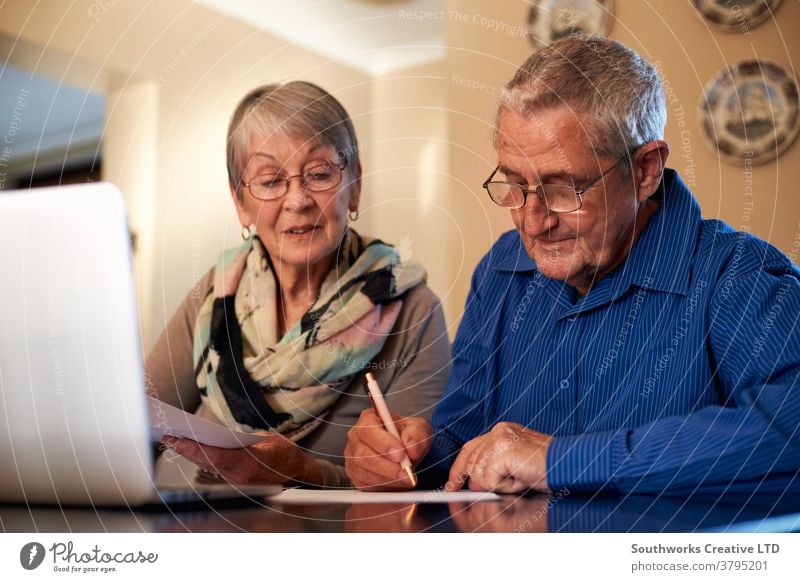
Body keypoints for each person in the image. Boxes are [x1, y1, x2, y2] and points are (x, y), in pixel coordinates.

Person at [345, 36, 800, 495]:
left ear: (645, 170)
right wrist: (411, 455)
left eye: (563, 188)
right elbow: (464, 439)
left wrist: (558, 459)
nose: (532, 220)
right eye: (515, 183)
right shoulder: (502, 269)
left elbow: (790, 430)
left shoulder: (741, 277)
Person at [148, 81, 451, 488]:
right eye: (271, 181)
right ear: (240, 202)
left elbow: (413, 486)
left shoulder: (412, 309)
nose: (297, 200)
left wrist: (302, 474)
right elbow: (135, 425)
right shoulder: (215, 298)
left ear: (355, 185)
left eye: (320, 174)